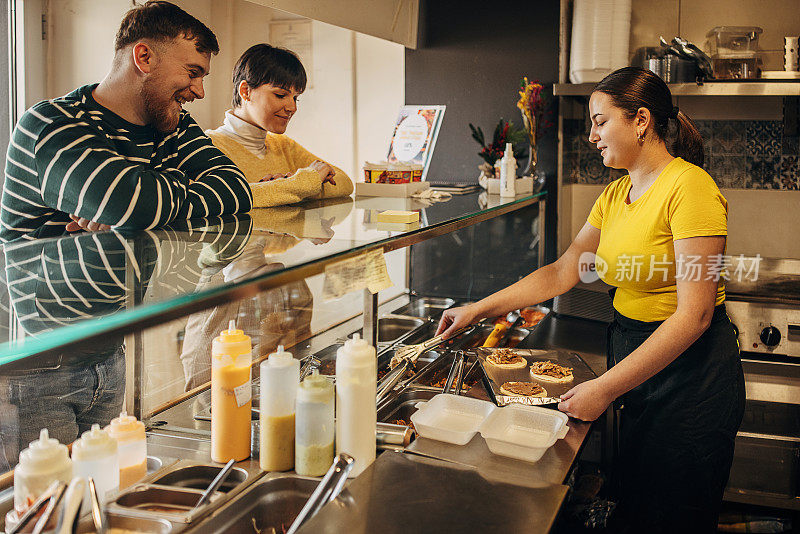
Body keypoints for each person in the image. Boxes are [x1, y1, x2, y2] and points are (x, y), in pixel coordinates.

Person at [437, 67, 744, 532]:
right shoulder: (617, 193)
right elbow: (564, 271)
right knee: (638, 510)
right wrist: (478, 308)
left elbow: (696, 315)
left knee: (673, 517)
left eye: (600, 121)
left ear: (640, 120)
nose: (592, 135)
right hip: (637, 364)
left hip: (690, 380)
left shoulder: (691, 187)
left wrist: (604, 388)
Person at [0, 0, 253, 243]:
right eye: (192, 73)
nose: (200, 92)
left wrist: (138, 204)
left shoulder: (176, 123)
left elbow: (237, 189)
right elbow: (130, 204)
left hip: (132, 285)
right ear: (144, 57)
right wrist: (138, 203)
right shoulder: (50, 122)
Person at [206, 44, 353, 207]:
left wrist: (285, 188)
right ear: (246, 91)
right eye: (281, 95)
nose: (292, 107)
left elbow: (344, 182)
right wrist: (301, 184)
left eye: (295, 98)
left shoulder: (283, 145)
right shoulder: (207, 146)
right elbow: (225, 200)